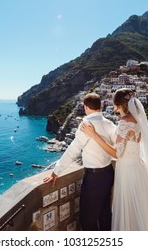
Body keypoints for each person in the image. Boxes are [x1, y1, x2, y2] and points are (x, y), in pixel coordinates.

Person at [80, 88, 148, 231]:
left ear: (117, 104)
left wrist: (93, 135)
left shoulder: (125, 122)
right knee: (140, 212)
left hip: (128, 171)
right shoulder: (137, 121)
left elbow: (117, 153)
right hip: (138, 167)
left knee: (130, 211)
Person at [43, 93, 117, 231]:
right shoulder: (109, 123)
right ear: (100, 106)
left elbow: (74, 149)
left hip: (94, 177)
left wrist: (56, 171)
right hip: (108, 173)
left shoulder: (86, 124)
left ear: (85, 107)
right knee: (104, 214)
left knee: (87, 219)